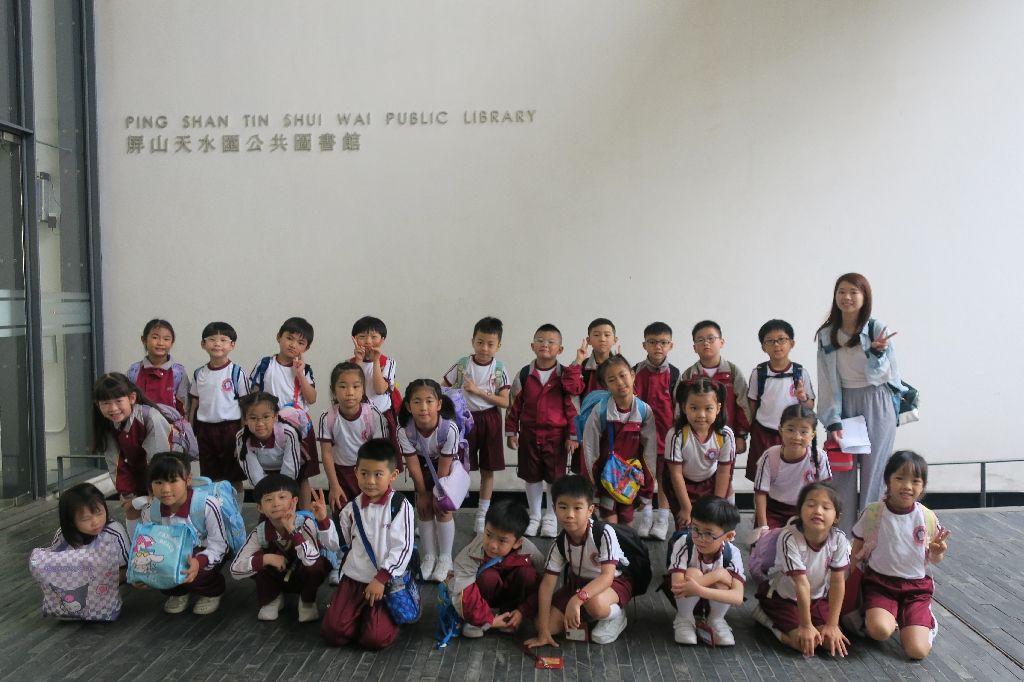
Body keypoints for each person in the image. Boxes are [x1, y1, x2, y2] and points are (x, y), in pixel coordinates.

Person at [816, 273, 903, 532]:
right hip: (843, 404)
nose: (847, 297)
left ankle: (869, 537)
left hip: (877, 402)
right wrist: (831, 420)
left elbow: (884, 376)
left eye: (854, 292)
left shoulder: (877, 329)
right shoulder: (827, 334)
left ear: (865, 297)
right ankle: (841, 538)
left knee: (874, 472)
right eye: (842, 291)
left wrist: (876, 353)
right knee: (841, 472)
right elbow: (825, 379)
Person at [851, 451, 950, 660]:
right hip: (880, 584)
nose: (907, 486)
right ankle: (892, 615)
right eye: (900, 478)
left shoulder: (926, 517)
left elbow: (934, 559)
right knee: (880, 631)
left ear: (923, 486)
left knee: (917, 651)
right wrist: (848, 581)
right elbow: (857, 550)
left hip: (916, 588)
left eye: (915, 481)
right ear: (888, 480)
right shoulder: (874, 512)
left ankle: (924, 619)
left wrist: (936, 552)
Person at [321, 439, 415, 650]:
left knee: (374, 640)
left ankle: (384, 619)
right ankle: (361, 616)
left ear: (393, 475)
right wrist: (322, 522)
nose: (370, 481)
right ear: (356, 473)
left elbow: (403, 548)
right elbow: (337, 544)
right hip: (353, 580)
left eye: (378, 474)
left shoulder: (400, 506)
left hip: (384, 581)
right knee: (333, 634)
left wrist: (382, 578)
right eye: (364, 474)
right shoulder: (351, 508)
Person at [525, 475, 632, 647]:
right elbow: (547, 585)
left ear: (590, 510)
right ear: (554, 508)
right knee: (546, 625)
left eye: (577, 508)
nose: (570, 514)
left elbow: (607, 577)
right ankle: (585, 612)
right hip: (578, 585)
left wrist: (577, 599)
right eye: (563, 507)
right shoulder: (560, 542)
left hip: (613, 583)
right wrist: (543, 632)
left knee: (594, 604)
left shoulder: (604, 533)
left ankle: (616, 616)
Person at [751, 482, 850, 657]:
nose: (818, 511)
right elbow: (801, 583)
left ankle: (812, 624)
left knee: (829, 642)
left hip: (816, 599)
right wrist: (806, 626)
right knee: (803, 644)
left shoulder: (839, 539)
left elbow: (837, 582)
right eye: (811, 505)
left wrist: (832, 625)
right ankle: (767, 619)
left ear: (837, 517)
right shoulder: (789, 537)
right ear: (799, 510)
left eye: (826, 507)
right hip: (783, 598)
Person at [506, 324, 581, 536]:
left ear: (560, 349)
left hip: (556, 438)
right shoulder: (524, 375)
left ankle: (551, 517)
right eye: (540, 340)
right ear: (532, 346)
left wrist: (573, 435)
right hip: (529, 435)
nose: (545, 345)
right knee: (531, 477)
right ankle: (534, 516)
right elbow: (513, 406)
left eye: (551, 342)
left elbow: (573, 409)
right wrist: (511, 432)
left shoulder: (565, 376)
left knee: (555, 478)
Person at [230, 473, 336, 622]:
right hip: (279, 577)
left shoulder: (305, 523)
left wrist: (292, 530)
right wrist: (266, 559)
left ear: (294, 501)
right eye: (268, 499)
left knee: (317, 564)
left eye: (282, 497)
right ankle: (272, 598)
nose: (276, 503)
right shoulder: (259, 532)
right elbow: (235, 570)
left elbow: (311, 559)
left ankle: (307, 601)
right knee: (257, 558)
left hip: (303, 577)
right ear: (260, 508)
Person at [134, 452, 229, 615]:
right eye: (158, 482)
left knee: (188, 563)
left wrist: (199, 562)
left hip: (205, 552)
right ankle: (177, 592)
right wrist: (142, 573)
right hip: (171, 553)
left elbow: (220, 545)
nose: (166, 489)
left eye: (173, 481)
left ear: (188, 479)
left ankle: (212, 591)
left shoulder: (206, 505)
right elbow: (148, 545)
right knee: (156, 562)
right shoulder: (152, 510)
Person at [443, 316, 511, 534]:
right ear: (473, 341)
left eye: (490, 344)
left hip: (490, 420)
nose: (484, 348)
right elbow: (442, 388)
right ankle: (448, 508)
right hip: (465, 421)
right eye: (480, 342)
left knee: (487, 469)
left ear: (498, 346)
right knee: (458, 466)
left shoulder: (499, 369)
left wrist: (479, 392)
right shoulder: (463, 365)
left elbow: (505, 402)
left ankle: (482, 514)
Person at [90, 372, 184, 521]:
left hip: (168, 474)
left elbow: (159, 459)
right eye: (105, 403)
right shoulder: (107, 424)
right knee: (130, 506)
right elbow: (115, 463)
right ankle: (136, 537)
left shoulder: (151, 417)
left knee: (161, 510)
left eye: (119, 401)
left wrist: (156, 491)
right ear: (98, 404)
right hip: (139, 474)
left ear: (132, 398)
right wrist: (128, 494)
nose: (113, 408)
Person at [447, 499, 544, 638]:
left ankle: (510, 616)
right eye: (488, 535)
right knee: (488, 577)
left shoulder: (529, 551)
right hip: (482, 595)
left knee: (528, 574)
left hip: (511, 594)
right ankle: (475, 620)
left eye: (502, 540)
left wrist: (523, 611)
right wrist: (487, 620)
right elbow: (460, 589)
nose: (492, 545)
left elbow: (544, 584)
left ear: (517, 542)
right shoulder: (473, 551)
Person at [249, 317, 319, 509]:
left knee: (302, 476)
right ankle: (273, 513)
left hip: (298, 430)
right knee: (272, 473)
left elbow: (311, 398)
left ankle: (304, 515)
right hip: (268, 428)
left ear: (306, 348)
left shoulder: (305, 370)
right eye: (289, 338)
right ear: (279, 337)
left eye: (300, 342)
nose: (293, 345)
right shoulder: (265, 365)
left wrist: (300, 373)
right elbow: (251, 399)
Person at [579, 355, 657, 525]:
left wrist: (647, 491)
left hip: (629, 480)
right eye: (612, 380)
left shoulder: (644, 411)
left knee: (627, 524)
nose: (620, 382)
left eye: (623, 375)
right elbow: (589, 452)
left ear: (632, 375)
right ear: (606, 385)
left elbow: (649, 453)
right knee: (610, 525)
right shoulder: (600, 411)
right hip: (605, 481)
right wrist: (593, 492)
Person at [396, 379, 461, 583]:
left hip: (445, 469)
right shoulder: (404, 431)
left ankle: (445, 558)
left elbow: (444, 466)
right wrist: (423, 493)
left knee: (442, 509)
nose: (423, 407)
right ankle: (429, 556)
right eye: (417, 402)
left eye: (429, 401)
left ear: (439, 404)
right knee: (423, 509)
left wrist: (438, 494)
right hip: (422, 467)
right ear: (408, 406)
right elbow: (413, 464)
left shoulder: (449, 429)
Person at [664, 495, 744, 646]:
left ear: (728, 536)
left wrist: (699, 589)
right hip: (684, 598)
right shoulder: (684, 543)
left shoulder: (732, 553)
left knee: (724, 580)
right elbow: (677, 587)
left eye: (708, 534)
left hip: (711, 599)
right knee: (694, 573)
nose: (700, 538)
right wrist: (718, 575)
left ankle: (716, 619)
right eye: (695, 529)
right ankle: (684, 618)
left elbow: (738, 597)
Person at [746, 319, 815, 482]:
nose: (776, 345)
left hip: (791, 434)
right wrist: (751, 429)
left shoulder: (800, 372)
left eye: (781, 339)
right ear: (763, 347)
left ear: (791, 343)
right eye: (770, 341)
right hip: (763, 433)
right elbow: (752, 404)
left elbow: (810, 406)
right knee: (762, 476)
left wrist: (803, 398)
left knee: (790, 476)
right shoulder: (759, 373)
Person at [662, 378, 736, 530]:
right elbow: (676, 474)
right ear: (684, 407)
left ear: (718, 408)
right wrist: (686, 508)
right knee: (687, 527)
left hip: (711, 481)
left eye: (708, 408)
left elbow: (723, 472)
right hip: (682, 485)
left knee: (712, 524)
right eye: (694, 408)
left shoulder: (725, 435)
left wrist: (716, 506)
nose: (701, 415)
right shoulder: (676, 435)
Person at [189, 321, 249, 505]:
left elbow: (245, 407)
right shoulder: (199, 373)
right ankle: (217, 512)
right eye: (212, 339)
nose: (217, 343)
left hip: (230, 430)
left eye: (223, 340)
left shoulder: (237, 372)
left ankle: (236, 513)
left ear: (232, 345)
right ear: (203, 344)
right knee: (211, 476)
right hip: (205, 431)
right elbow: (194, 406)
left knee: (233, 477)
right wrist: (190, 434)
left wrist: (243, 436)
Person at [680, 320, 751, 471]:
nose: (706, 343)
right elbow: (680, 408)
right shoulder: (689, 375)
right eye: (700, 340)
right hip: (695, 439)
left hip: (726, 437)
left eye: (711, 338)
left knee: (725, 475)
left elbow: (743, 405)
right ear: (694, 347)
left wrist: (741, 435)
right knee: (698, 475)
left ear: (721, 342)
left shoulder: (733, 372)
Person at [632, 321, 680, 540]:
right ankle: (646, 517)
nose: (658, 347)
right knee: (643, 476)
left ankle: (662, 519)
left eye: (663, 342)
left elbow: (679, 407)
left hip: (666, 436)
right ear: (644, 345)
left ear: (670, 345)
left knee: (663, 478)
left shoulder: (675, 373)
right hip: (641, 436)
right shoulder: (636, 370)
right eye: (652, 342)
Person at [753, 405, 832, 532]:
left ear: (812, 435)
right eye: (790, 430)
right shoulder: (770, 456)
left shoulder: (819, 457)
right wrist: (763, 526)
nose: (796, 437)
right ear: (780, 430)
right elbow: (760, 493)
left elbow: (824, 492)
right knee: (768, 542)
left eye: (804, 432)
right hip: (774, 510)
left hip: (807, 509)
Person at [49, 482, 130, 583]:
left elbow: (126, 569)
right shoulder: (63, 535)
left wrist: (98, 582)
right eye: (86, 519)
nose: (95, 522)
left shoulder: (113, 533)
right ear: (71, 521)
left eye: (99, 513)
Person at [349, 316, 403, 467]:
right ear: (354, 339)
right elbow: (353, 386)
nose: (368, 342)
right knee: (358, 458)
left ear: (382, 340)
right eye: (362, 337)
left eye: (374, 337)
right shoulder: (349, 364)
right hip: (357, 418)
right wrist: (359, 361)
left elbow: (380, 389)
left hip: (382, 416)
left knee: (381, 459)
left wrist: (376, 360)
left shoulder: (389, 362)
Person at [235, 392, 303, 486]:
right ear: (245, 420)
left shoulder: (287, 434)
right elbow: (253, 473)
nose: (260, 424)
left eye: (266, 417)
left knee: (302, 482)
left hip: (289, 469)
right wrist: (263, 490)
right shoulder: (242, 438)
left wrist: (283, 490)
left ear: (275, 416)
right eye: (253, 418)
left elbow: (290, 468)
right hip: (264, 469)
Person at [127, 318, 190, 414]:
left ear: (172, 343)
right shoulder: (134, 370)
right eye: (155, 337)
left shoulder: (178, 372)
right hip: (140, 421)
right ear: (144, 340)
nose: (160, 343)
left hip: (170, 422)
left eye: (166, 339)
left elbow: (185, 406)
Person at [568, 318, 620, 401]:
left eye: (607, 335)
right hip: (588, 409)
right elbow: (571, 388)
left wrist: (619, 366)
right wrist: (578, 360)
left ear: (615, 340)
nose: (602, 339)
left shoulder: (621, 366)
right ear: (589, 340)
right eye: (596, 335)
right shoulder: (583, 366)